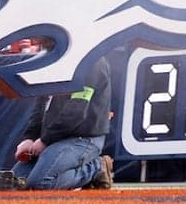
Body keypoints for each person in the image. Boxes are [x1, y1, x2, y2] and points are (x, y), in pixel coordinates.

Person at [11, 55, 114, 190]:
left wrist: (45, 140)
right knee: (15, 185)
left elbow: (76, 111)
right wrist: (28, 138)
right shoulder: (51, 63)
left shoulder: (92, 62)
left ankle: (96, 167)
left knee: (40, 184)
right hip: (54, 139)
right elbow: (39, 109)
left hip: (84, 139)